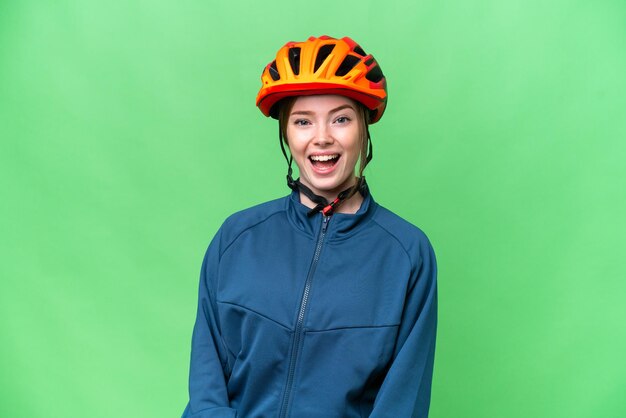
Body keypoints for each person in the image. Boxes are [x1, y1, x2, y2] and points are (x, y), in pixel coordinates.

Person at [182, 35, 437, 418]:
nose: (322, 137)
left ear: (364, 129)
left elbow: (403, 400)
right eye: (303, 121)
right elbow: (207, 379)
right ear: (286, 132)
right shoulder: (237, 238)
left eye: (341, 119)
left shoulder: (406, 254)